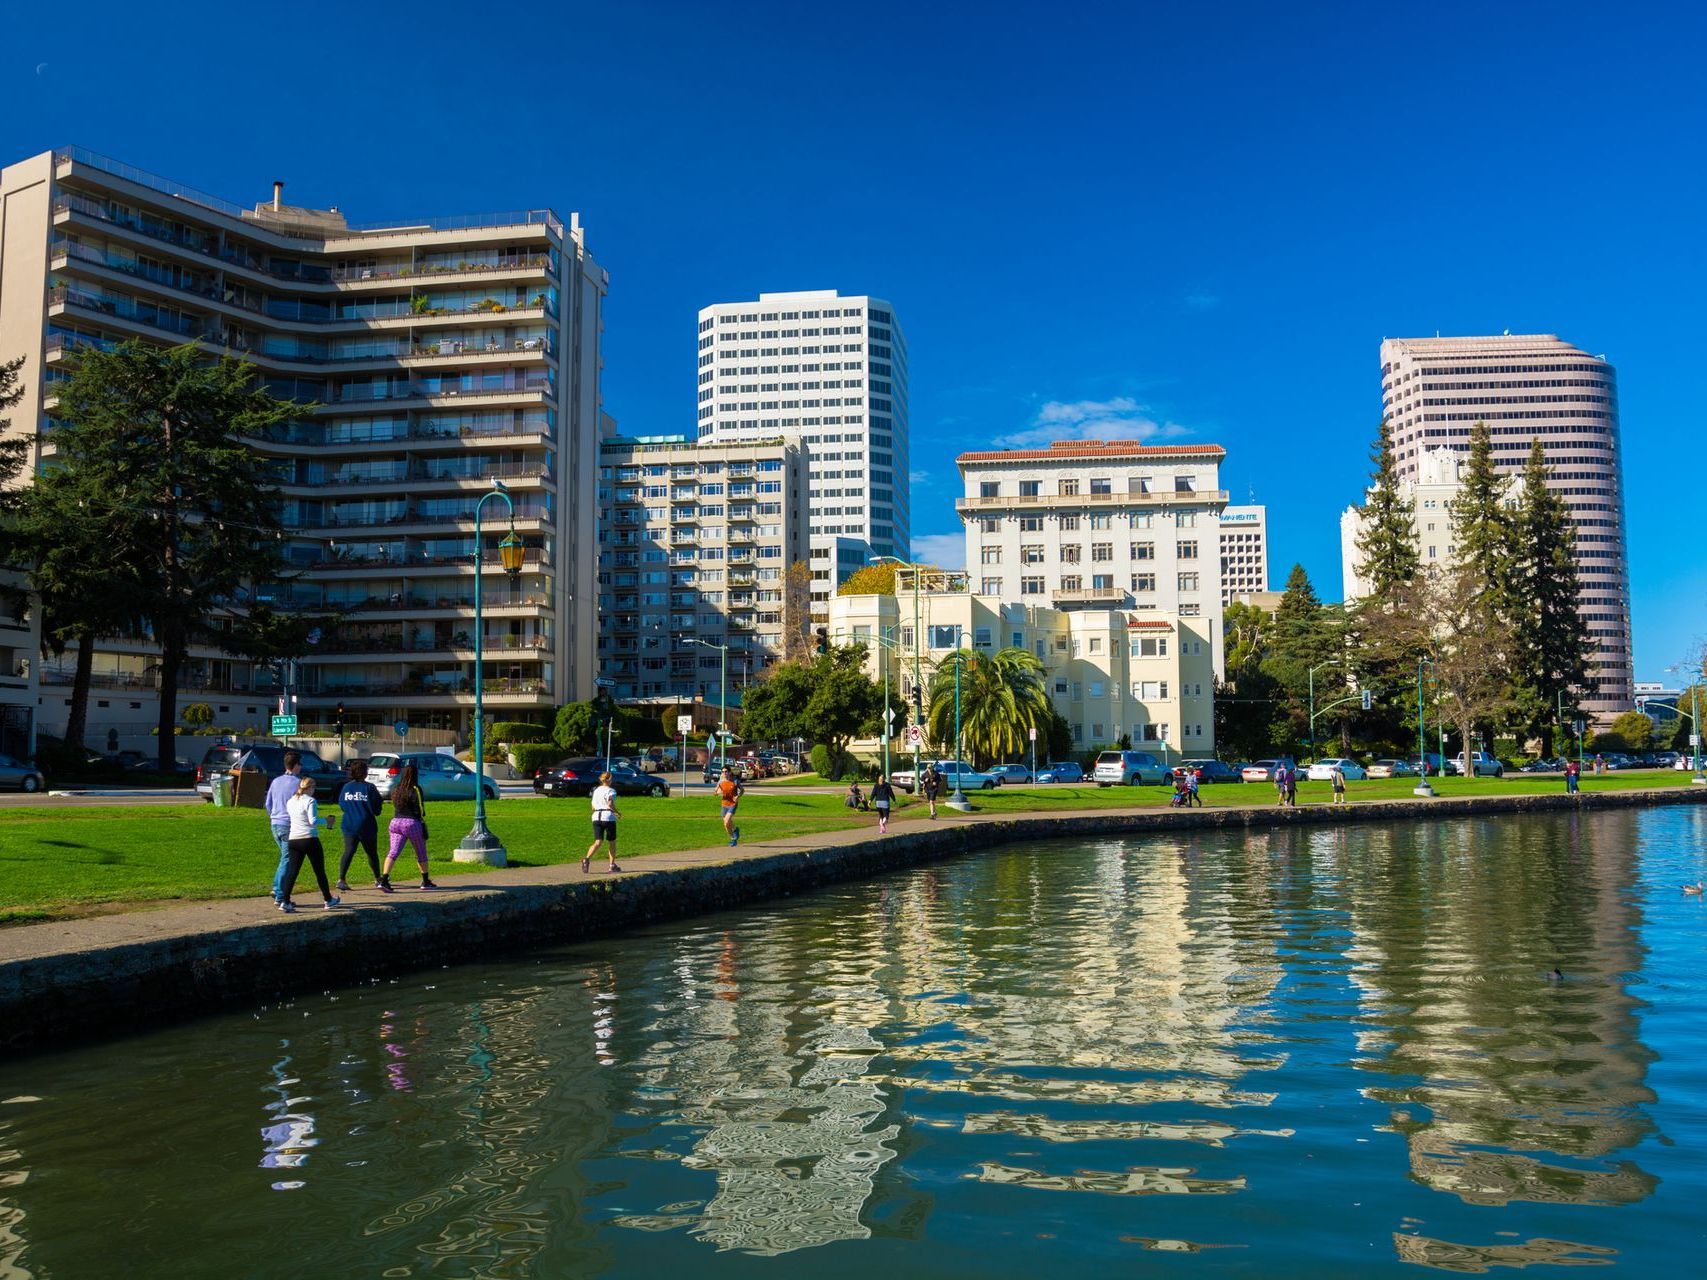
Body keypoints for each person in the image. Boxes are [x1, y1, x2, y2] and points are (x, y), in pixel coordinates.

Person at [279, 777, 339, 913]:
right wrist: (327, 820)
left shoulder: (291, 801)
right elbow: (312, 821)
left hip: (293, 839)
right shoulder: (310, 801)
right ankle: (328, 899)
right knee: (319, 871)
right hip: (309, 839)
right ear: (310, 788)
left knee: (292, 872)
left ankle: (285, 901)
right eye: (314, 788)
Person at [380, 762, 437, 891]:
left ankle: (384, 879)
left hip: (395, 822)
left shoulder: (396, 789)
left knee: (393, 852)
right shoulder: (415, 789)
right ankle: (425, 880)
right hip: (411, 823)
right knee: (420, 852)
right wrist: (421, 815)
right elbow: (421, 809)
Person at [336, 759, 385, 892]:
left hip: (349, 824)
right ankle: (377, 878)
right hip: (366, 825)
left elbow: (342, 804)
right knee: (371, 853)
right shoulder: (369, 787)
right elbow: (377, 809)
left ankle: (341, 879)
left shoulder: (346, 787)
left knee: (349, 851)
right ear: (364, 773)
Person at [264, 751, 305, 905]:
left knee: (285, 857)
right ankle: (279, 891)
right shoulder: (298, 783)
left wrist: (274, 816)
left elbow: (268, 803)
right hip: (288, 825)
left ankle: (278, 889)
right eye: (300, 764)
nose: (301, 767)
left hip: (275, 823)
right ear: (295, 766)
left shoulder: (275, 781)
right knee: (287, 859)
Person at [584, 771, 621, 873]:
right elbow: (610, 804)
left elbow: (592, 806)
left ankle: (586, 859)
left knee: (598, 841)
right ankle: (612, 865)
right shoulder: (611, 791)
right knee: (612, 842)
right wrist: (617, 812)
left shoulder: (596, 791)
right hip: (608, 817)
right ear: (609, 780)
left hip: (596, 817)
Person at [717, 767, 743, 846]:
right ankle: (733, 837)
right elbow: (717, 790)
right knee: (726, 824)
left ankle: (734, 835)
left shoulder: (735, 781)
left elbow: (742, 790)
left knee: (727, 820)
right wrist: (716, 792)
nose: (724, 773)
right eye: (723, 772)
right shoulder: (721, 781)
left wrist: (738, 796)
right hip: (724, 804)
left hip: (733, 804)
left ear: (729, 772)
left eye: (726, 771)